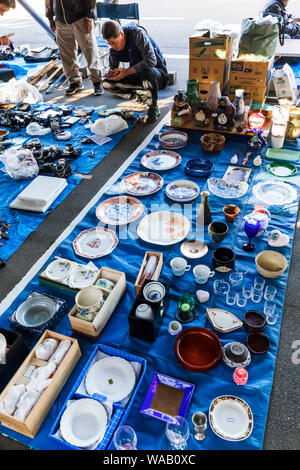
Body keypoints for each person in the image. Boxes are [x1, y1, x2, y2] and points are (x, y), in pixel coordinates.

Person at [101, 20, 169, 124]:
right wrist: (113, 74)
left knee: (147, 70)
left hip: (157, 74)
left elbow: (151, 61)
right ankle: (139, 93)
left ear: (121, 34)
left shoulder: (137, 34)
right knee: (106, 83)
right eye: (109, 43)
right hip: (137, 75)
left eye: (114, 43)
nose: (112, 46)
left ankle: (153, 106)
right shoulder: (113, 48)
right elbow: (113, 68)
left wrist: (126, 72)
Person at [45, 0, 103, 95]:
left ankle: (97, 81)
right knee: (66, 53)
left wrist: (88, 16)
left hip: (80, 17)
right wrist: (50, 17)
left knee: (89, 49)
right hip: (60, 20)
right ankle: (74, 82)